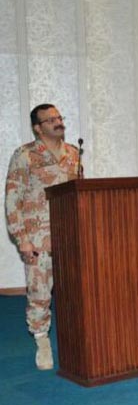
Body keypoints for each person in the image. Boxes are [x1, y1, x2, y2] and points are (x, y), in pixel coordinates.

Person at [5, 104, 80, 370]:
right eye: (51, 120)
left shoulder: (73, 153)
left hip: (71, 236)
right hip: (38, 238)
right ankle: (42, 343)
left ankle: (75, 343)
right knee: (39, 294)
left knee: (75, 291)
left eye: (60, 117)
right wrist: (21, 238)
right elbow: (12, 200)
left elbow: (81, 193)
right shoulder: (24, 155)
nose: (58, 122)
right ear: (38, 127)